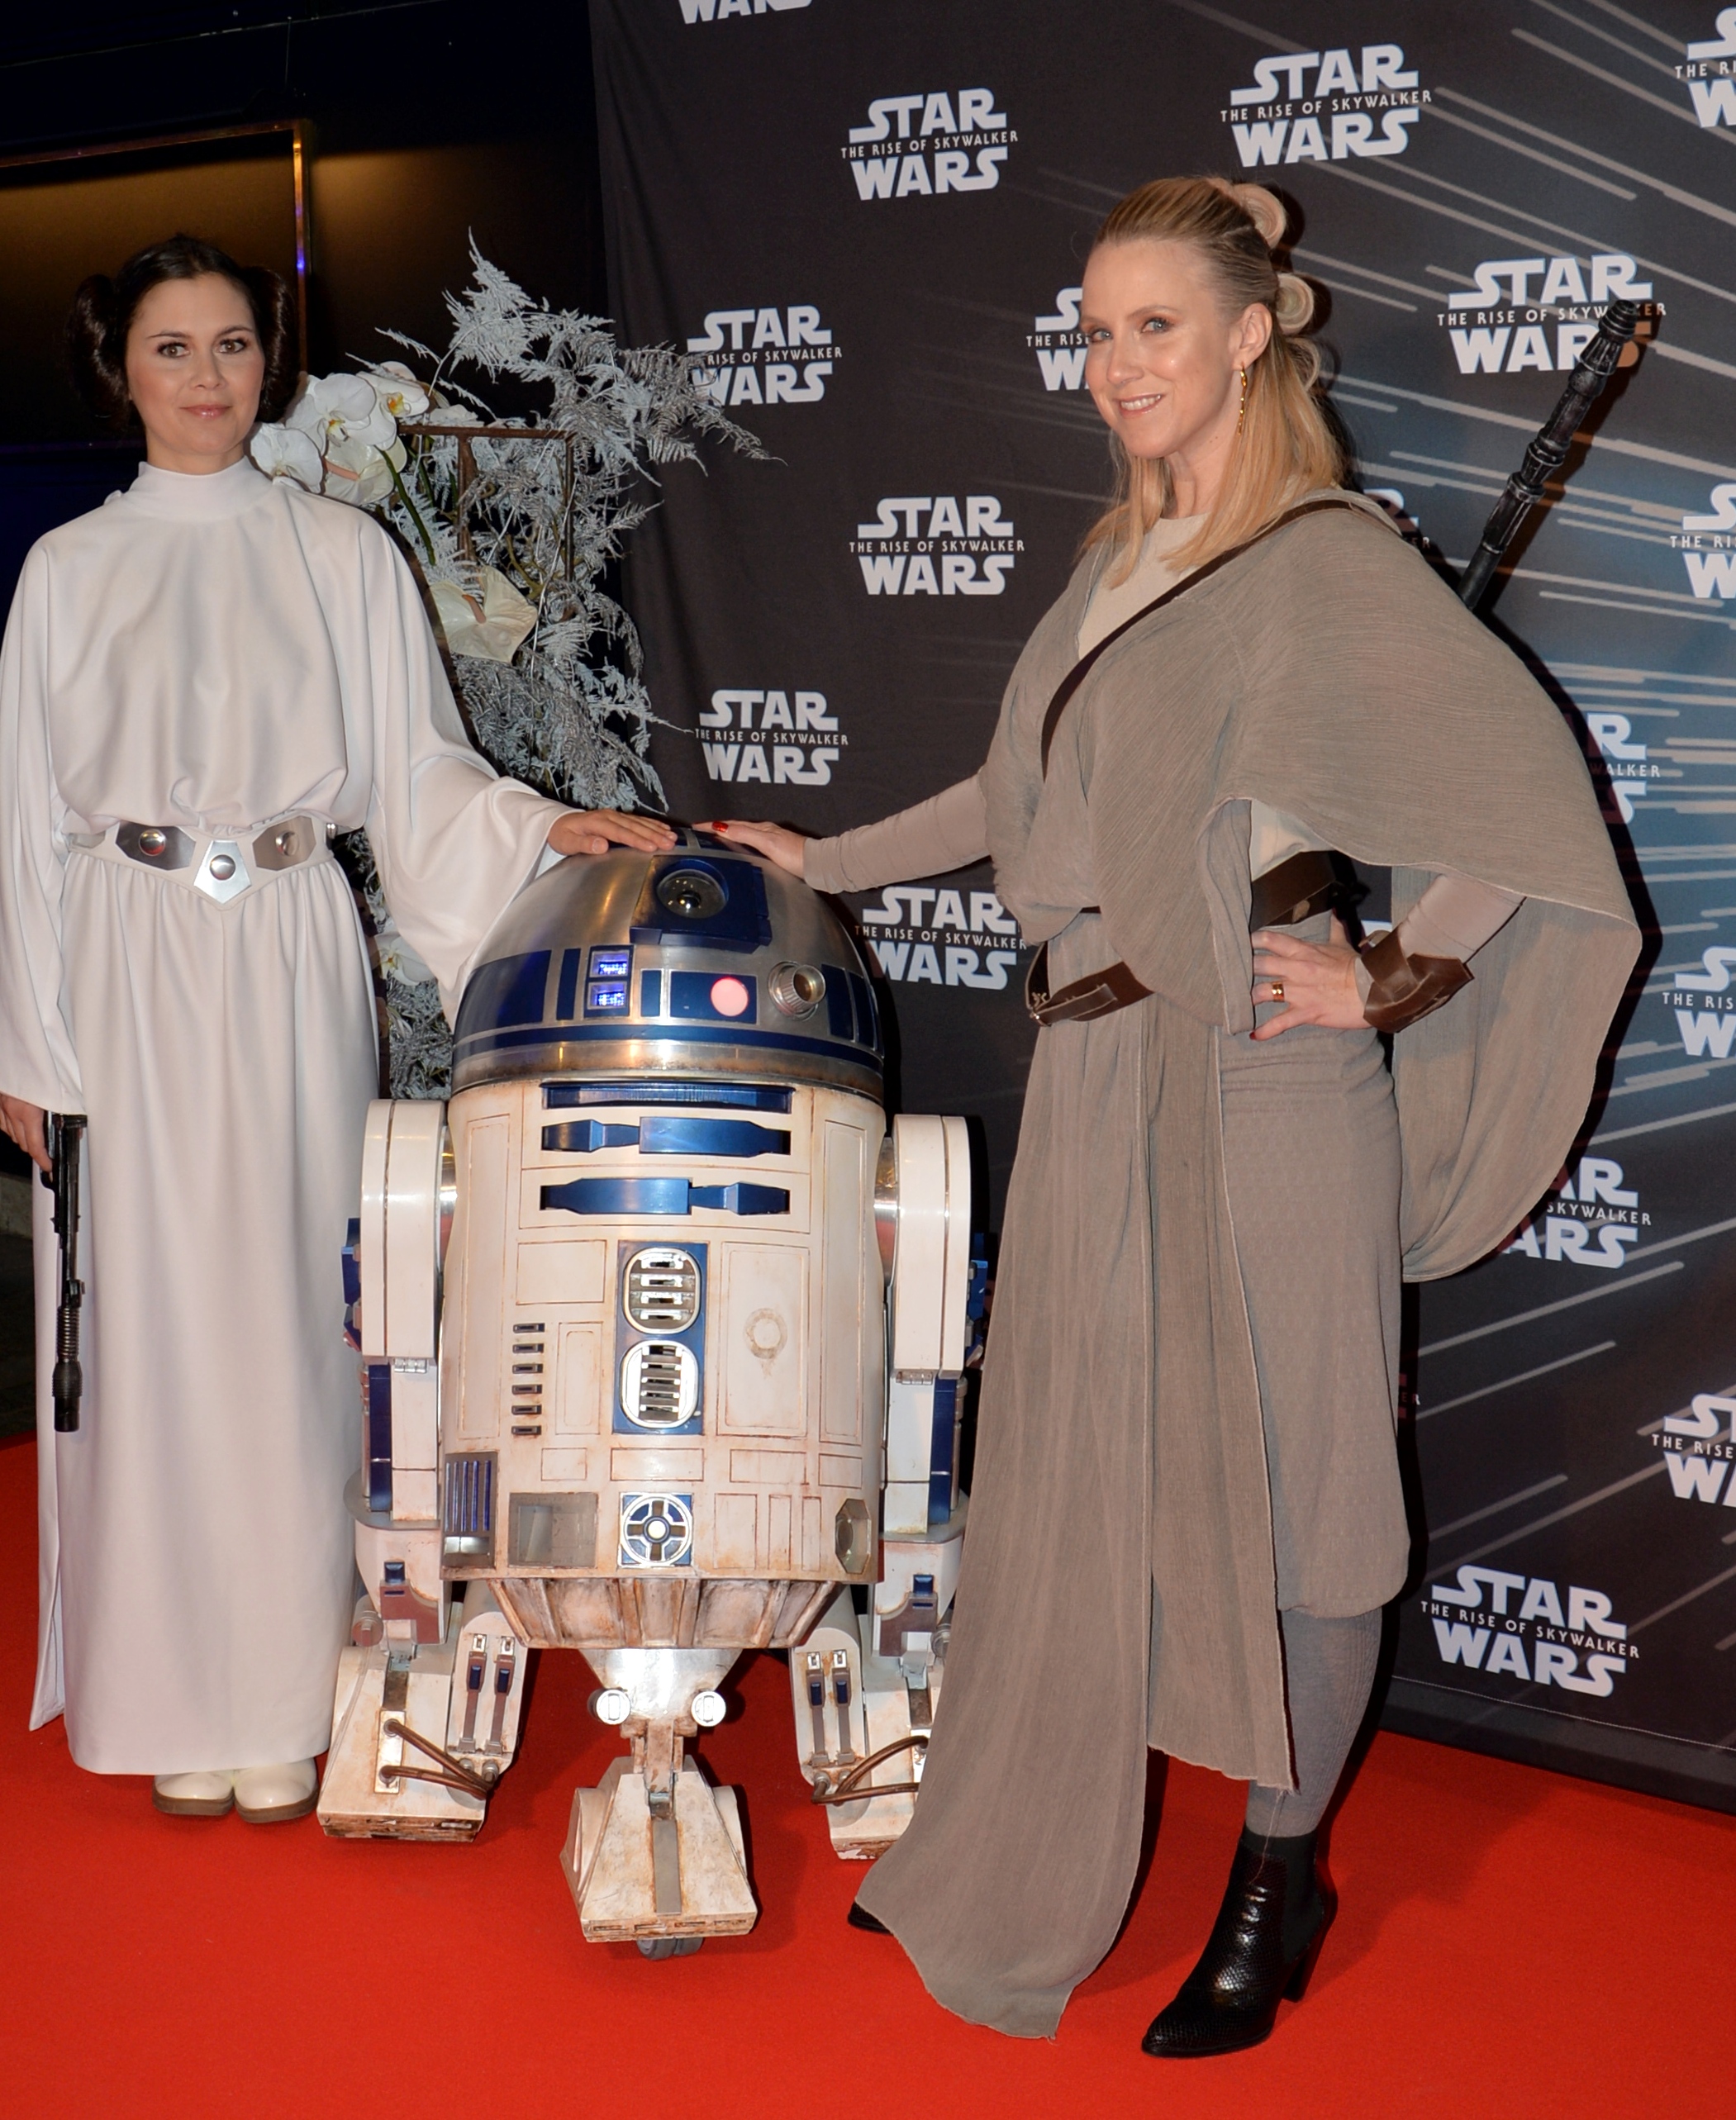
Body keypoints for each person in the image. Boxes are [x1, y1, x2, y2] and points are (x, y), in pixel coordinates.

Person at [713, 177, 1637, 2053]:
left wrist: (1392, 972)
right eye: (1093, 329)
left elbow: (1530, 812)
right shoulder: (1117, 559)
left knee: (1308, 1498)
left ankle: (1277, 1878)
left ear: (1248, 332)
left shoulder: (1324, 555)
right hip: (1096, 1075)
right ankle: (1018, 1843)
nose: (1115, 362)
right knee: (1073, 1473)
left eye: (1153, 324)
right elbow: (1010, 798)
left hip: (1268, 1084)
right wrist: (822, 857)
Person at [0, 235, 673, 1824]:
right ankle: (171, 1691)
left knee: (303, 1310)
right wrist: (30, 1049)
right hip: (125, 959)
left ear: (271, 359)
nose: (208, 377)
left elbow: (421, 768)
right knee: (153, 1316)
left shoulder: (339, 549)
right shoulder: (68, 570)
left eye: (234, 344)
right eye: (173, 348)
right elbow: (23, 820)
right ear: (118, 368)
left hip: (295, 956)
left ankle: (295, 1685)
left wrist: (541, 828)